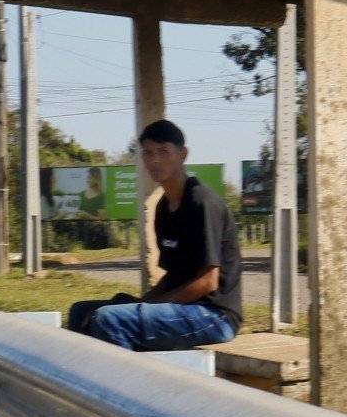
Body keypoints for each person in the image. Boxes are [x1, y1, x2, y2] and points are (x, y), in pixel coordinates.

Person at [70, 120, 242, 351]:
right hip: (183, 309)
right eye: (148, 153)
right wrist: (146, 301)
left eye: (163, 152)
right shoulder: (163, 207)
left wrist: (157, 303)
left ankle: (128, 385)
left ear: (182, 154)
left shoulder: (202, 202)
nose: (154, 160)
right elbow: (172, 276)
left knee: (108, 319)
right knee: (81, 312)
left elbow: (207, 282)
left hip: (214, 316)